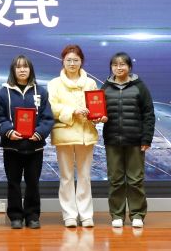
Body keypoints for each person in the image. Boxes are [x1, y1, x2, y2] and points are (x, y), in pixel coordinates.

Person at [0, 55, 54, 229]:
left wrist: (39, 133)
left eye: (25, 67)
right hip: (11, 146)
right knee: (13, 182)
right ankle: (15, 216)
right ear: (13, 70)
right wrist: (8, 131)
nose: (22, 70)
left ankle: (32, 216)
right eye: (18, 67)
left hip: (35, 147)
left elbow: (48, 117)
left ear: (30, 70)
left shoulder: (41, 92)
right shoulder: (3, 93)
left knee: (33, 182)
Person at [47, 44, 103, 228]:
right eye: (68, 60)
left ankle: (86, 215)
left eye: (76, 60)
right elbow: (52, 107)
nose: (72, 63)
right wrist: (72, 111)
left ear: (81, 61)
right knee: (66, 177)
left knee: (85, 177)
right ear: (63, 61)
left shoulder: (90, 83)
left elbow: (96, 104)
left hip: (86, 133)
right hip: (64, 133)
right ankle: (69, 215)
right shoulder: (54, 83)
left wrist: (97, 115)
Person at [101, 52, 155, 229]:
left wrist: (146, 138)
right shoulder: (105, 87)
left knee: (135, 180)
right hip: (112, 140)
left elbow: (149, 114)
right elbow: (99, 111)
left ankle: (137, 214)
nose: (119, 67)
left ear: (129, 67)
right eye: (115, 65)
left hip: (135, 141)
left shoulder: (140, 87)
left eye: (122, 64)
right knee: (115, 180)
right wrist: (99, 118)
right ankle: (117, 215)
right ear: (111, 67)